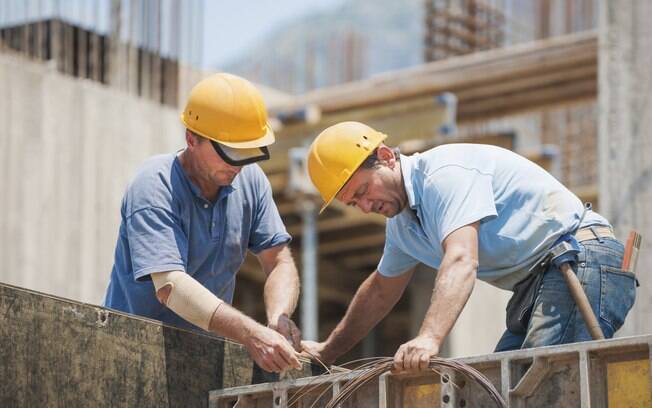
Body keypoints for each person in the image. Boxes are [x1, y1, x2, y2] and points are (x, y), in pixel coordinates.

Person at [301, 121, 637, 371]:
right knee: (499, 387)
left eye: (362, 191)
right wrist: (328, 352)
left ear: (387, 157)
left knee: (539, 384)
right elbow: (379, 292)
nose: (364, 206)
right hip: (542, 282)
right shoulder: (402, 227)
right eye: (352, 203)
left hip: (582, 260)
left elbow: (461, 259)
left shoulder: (443, 175)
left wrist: (429, 338)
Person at [104, 73, 302, 373]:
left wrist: (279, 318)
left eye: (247, 152)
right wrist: (250, 334)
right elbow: (170, 286)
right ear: (191, 139)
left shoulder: (251, 181)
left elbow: (279, 262)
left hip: (203, 359)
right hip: (131, 355)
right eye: (230, 152)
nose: (238, 164)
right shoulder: (154, 185)